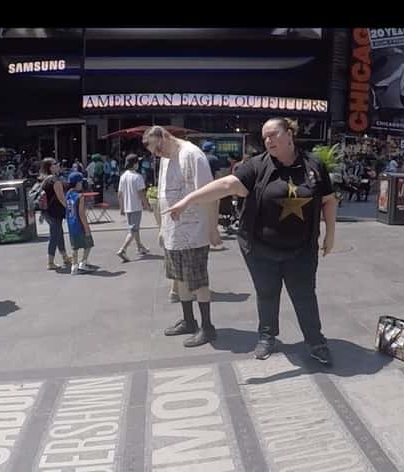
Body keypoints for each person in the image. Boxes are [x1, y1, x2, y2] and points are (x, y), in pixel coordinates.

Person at [165, 117, 337, 364]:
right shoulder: (256, 166)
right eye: (265, 136)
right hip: (261, 249)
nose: (268, 140)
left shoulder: (313, 165)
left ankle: (316, 341)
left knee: (304, 295)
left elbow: (328, 200)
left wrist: (330, 233)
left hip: (301, 250)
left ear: (289, 134)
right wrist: (188, 200)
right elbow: (226, 184)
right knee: (266, 293)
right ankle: (267, 337)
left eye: (273, 134)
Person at [144, 126, 217, 348]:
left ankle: (207, 326)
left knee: (197, 280)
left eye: (159, 148)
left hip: (193, 231)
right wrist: (162, 228)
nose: (159, 155)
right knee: (179, 278)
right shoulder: (167, 158)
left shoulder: (193, 155)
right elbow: (166, 193)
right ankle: (189, 320)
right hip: (173, 231)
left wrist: (213, 228)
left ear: (165, 136)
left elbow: (212, 192)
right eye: (155, 153)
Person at [116, 153, 151, 262]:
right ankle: (123, 249)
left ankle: (140, 247)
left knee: (135, 229)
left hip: (127, 207)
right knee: (133, 230)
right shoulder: (138, 177)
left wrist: (121, 208)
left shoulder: (123, 176)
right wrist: (147, 206)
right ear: (135, 164)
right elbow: (141, 194)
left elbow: (119, 194)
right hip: (135, 207)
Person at [38, 158, 72, 270]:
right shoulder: (55, 180)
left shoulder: (45, 179)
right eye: (56, 164)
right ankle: (50, 262)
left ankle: (65, 257)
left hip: (47, 211)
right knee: (54, 235)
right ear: (51, 167)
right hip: (55, 211)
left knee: (58, 233)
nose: (58, 165)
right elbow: (61, 198)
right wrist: (69, 209)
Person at [65, 172, 97, 275]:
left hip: (71, 224)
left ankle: (74, 266)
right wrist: (87, 228)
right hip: (80, 224)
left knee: (74, 247)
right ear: (78, 183)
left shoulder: (68, 194)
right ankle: (83, 262)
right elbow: (81, 213)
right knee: (88, 243)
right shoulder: (80, 196)